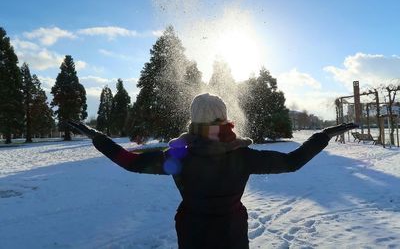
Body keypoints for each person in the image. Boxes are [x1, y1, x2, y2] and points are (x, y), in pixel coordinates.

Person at [67, 93, 357, 249]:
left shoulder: (179, 155)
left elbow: (130, 162)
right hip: (231, 232)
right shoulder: (241, 155)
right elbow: (293, 162)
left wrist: (97, 137)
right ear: (225, 118)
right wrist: (323, 135)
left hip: (192, 231)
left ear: (194, 121)